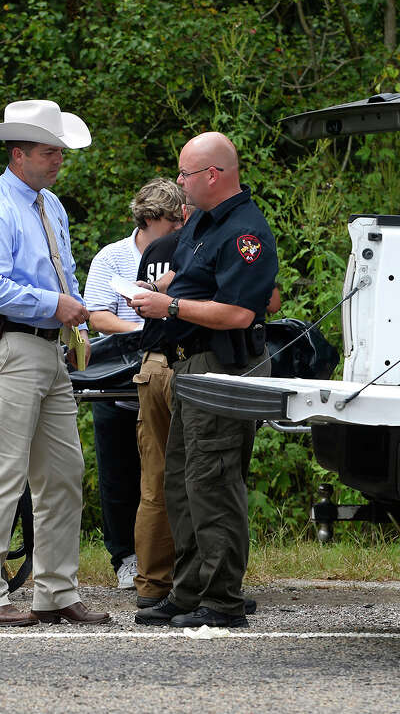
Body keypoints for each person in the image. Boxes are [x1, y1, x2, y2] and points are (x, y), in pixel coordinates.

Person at [0, 99, 110, 627]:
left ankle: (55, 590)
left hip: (44, 346)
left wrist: (75, 327)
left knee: (64, 472)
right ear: (17, 154)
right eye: (49, 151)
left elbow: (63, 274)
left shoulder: (49, 205)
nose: (59, 159)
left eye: (60, 151)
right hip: (4, 344)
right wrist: (56, 306)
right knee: (2, 471)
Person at [130, 132, 278, 629]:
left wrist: (169, 306)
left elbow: (239, 312)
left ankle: (223, 599)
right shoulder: (202, 223)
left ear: (213, 175)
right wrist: (161, 289)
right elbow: (195, 278)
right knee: (182, 481)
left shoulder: (245, 233)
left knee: (213, 481)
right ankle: (188, 590)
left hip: (223, 365)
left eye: (186, 173)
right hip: (188, 364)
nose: (180, 181)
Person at [82, 178, 185, 592]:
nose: (178, 226)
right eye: (171, 220)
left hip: (167, 371)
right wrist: (142, 331)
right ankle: (124, 556)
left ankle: (171, 556)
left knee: (166, 470)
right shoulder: (112, 257)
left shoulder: (186, 253)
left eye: (182, 218)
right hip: (118, 378)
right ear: (148, 218)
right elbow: (96, 315)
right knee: (118, 472)